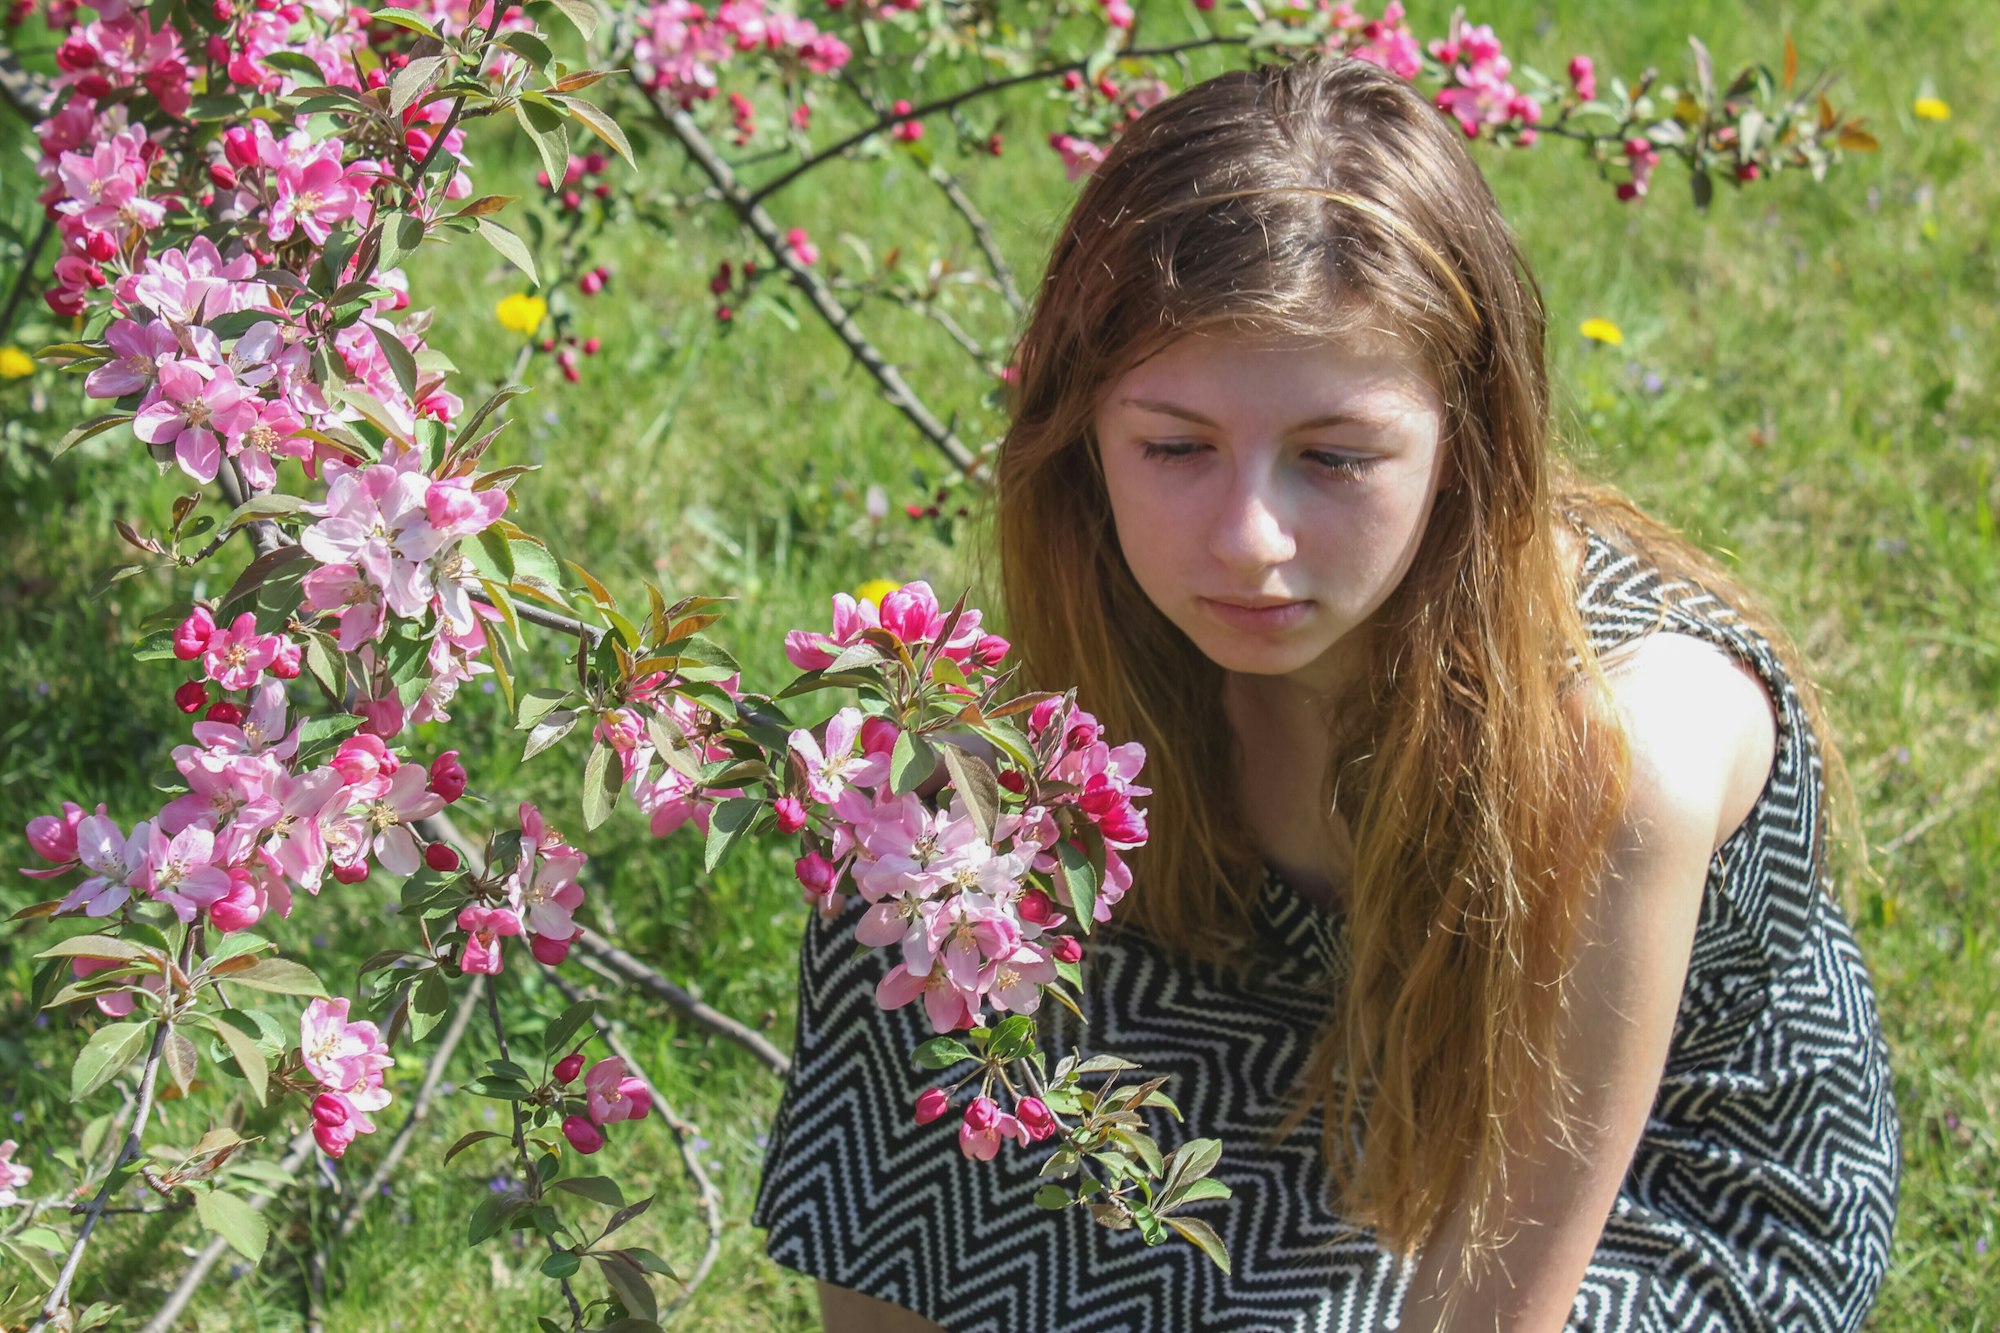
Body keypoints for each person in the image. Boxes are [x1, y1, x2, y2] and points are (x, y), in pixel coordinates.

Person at [752, 53, 1898, 1333]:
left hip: (1633, 1194)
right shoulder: (1113, 636)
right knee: (915, 850)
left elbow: (1489, 1307)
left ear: (1465, 444)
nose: (1248, 537)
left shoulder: (1624, 742)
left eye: (1335, 457)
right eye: (1175, 446)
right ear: (1082, 441)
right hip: (1278, 1043)